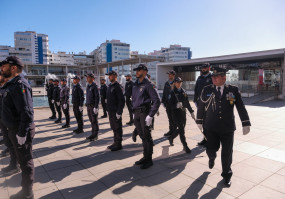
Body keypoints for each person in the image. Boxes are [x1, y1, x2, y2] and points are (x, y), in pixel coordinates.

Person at [196, 66, 251, 187]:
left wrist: (246, 122)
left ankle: (226, 175)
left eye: (216, 76)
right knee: (211, 148)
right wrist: (199, 121)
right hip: (211, 127)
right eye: (213, 76)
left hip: (227, 128)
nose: (213, 79)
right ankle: (212, 157)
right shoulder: (207, 89)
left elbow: (240, 107)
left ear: (224, 77)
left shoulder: (233, 90)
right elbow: (201, 106)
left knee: (227, 153)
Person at [0, 56, 35, 199]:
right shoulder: (10, 85)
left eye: (4, 66)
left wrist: (22, 133)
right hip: (12, 128)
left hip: (20, 130)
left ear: (13, 68)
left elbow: (26, 112)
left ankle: (27, 193)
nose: (2, 69)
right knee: (21, 160)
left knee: (25, 162)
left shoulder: (20, 85)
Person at [132, 64, 160, 169]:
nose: (137, 72)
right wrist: (132, 111)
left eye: (139, 70)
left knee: (147, 137)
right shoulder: (135, 85)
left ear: (144, 72)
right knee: (142, 136)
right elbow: (133, 99)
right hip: (137, 113)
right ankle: (145, 156)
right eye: (136, 70)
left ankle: (149, 160)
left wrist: (150, 115)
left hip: (145, 114)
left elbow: (157, 101)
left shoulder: (149, 85)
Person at [168, 77, 196, 153]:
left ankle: (171, 137)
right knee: (181, 130)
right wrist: (175, 106)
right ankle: (185, 146)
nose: (179, 83)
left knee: (182, 128)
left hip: (183, 113)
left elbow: (187, 103)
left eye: (180, 82)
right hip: (176, 114)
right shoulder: (172, 92)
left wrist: (192, 112)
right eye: (178, 82)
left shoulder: (184, 91)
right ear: (175, 83)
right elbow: (170, 105)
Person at [0, 71, 19, 175]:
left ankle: (15, 165)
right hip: (3, 119)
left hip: (10, 121)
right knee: (8, 142)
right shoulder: (4, 88)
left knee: (12, 144)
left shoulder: (12, 87)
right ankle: (13, 163)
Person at [105, 71, 125, 151]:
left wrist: (119, 112)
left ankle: (119, 144)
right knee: (113, 127)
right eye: (109, 76)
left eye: (111, 75)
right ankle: (115, 142)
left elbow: (121, 100)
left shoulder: (117, 86)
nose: (109, 77)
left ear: (115, 76)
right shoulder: (110, 86)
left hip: (116, 111)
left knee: (117, 127)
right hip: (111, 110)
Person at [194, 63, 213, 146]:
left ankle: (211, 139)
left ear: (209, 68)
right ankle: (205, 138)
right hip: (200, 103)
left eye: (205, 68)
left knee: (210, 122)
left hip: (210, 103)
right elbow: (196, 89)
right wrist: (195, 100)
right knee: (203, 122)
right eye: (202, 68)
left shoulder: (212, 77)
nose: (203, 69)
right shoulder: (199, 78)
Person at [85, 73, 100, 141]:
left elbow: (97, 97)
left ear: (92, 78)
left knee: (94, 121)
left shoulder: (94, 86)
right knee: (91, 121)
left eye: (88, 77)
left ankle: (95, 135)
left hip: (93, 106)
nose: (87, 78)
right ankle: (92, 134)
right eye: (87, 77)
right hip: (89, 106)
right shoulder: (88, 86)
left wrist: (96, 107)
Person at [161, 70, 175, 137]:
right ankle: (171, 130)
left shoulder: (176, 82)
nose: (169, 75)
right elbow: (164, 92)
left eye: (170, 74)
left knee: (173, 118)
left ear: (173, 75)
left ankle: (174, 131)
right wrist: (163, 101)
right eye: (168, 74)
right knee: (169, 118)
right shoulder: (166, 83)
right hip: (167, 104)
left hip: (173, 104)